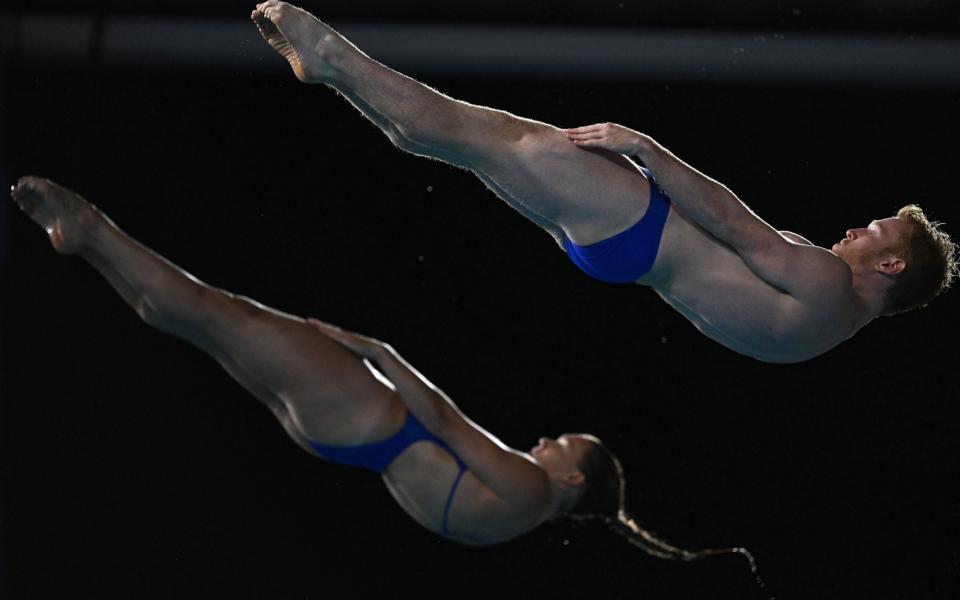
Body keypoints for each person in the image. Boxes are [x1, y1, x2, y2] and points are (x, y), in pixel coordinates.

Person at [10, 175, 746, 560]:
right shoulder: (509, 527)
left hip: (368, 414)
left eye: (562, 444)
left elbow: (449, 423)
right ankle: (90, 245)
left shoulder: (527, 488)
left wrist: (383, 355)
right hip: (341, 440)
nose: (547, 440)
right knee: (203, 328)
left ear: (573, 479)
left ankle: (93, 229)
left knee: (218, 311)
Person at [250, 1, 957, 364]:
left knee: (470, 131)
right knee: (458, 145)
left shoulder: (831, 284)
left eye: (874, 232)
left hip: (639, 220)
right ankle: (332, 72)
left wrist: (646, 148)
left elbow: (732, 221)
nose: (855, 230)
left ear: (891, 266)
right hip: (623, 254)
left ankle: (330, 56)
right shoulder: (822, 336)